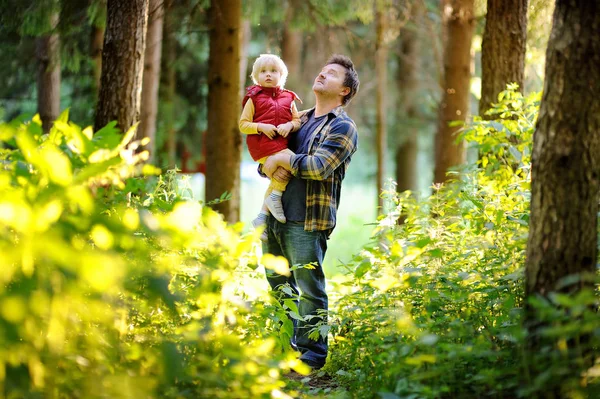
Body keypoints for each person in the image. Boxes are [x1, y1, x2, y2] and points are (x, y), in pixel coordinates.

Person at [261, 54, 360, 370]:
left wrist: (283, 158)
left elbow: (319, 167)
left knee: (308, 289)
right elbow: (265, 162)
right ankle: (284, 349)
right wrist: (272, 160)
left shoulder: (343, 127)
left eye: (332, 74)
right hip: (274, 216)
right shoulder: (297, 118)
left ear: (344, 90)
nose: (322, 74)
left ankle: (312, 358)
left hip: (308, 220)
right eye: (322, 69)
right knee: (279, 287)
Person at [239, 54, 302, 241]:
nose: (268, 75)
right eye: (263, 71)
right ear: (255, 76)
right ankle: (275, 196)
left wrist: (289, 126)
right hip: (262, 145)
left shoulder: (288, 98)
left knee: (282, 172)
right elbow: (243, 124)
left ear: (282, 75)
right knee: (294, 162)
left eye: (274, 71)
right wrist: (261, 127)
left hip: (280, 144)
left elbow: (296, 121)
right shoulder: (253, 98)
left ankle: (262, 216)